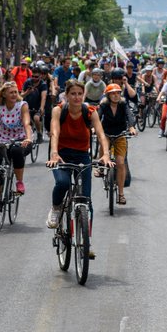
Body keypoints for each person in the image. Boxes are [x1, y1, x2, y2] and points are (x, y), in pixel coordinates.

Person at [47, 80, 112, 242]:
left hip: (82, 156)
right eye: (73, 94)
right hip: (61, 154)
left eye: (79, 94)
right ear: (67, 95)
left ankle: (86, 242)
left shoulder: (89, 111)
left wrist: (105, 155)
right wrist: (54, 153)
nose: (77, 97)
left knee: (86, 201)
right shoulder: (59, 110)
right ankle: (56, 208)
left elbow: (101, 134)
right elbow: (54, 132)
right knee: (62, 183)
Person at [0, 81, 34, 201]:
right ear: (4, 94)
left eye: (16, 92)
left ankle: (19, 182)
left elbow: (26, 123)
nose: (14, 95)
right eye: (11, 93)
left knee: (16, 151)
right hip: (2, 141)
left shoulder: (22, 105)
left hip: (21, 139)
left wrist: (28, 138)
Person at [98, 83, 137, 204]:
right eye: (113, 93)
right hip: (107, 133)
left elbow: (129, 115)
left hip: (120, 134)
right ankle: (100, 168)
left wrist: (131, 127)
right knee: (102, 144)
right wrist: (95, 128)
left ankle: (121, 194)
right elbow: (98, 117)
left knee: (120, 162)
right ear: (108, 95)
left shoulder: (123, 104)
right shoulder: (104, 105)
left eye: (118, 93)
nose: (115, 96)